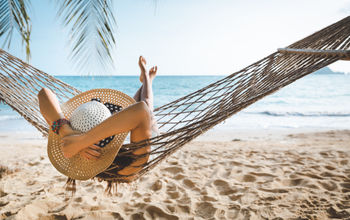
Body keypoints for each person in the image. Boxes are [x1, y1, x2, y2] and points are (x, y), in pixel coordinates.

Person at [37, 56, 157, 177]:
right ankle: (147, 78)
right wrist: (81, 142)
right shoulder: (130, 167)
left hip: (115, 122)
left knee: (134, 104)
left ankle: (147, 78)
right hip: (141, 133)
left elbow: (43, 93)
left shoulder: (68, 144)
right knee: (146, 103)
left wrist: (67, 132)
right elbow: (142, 110)